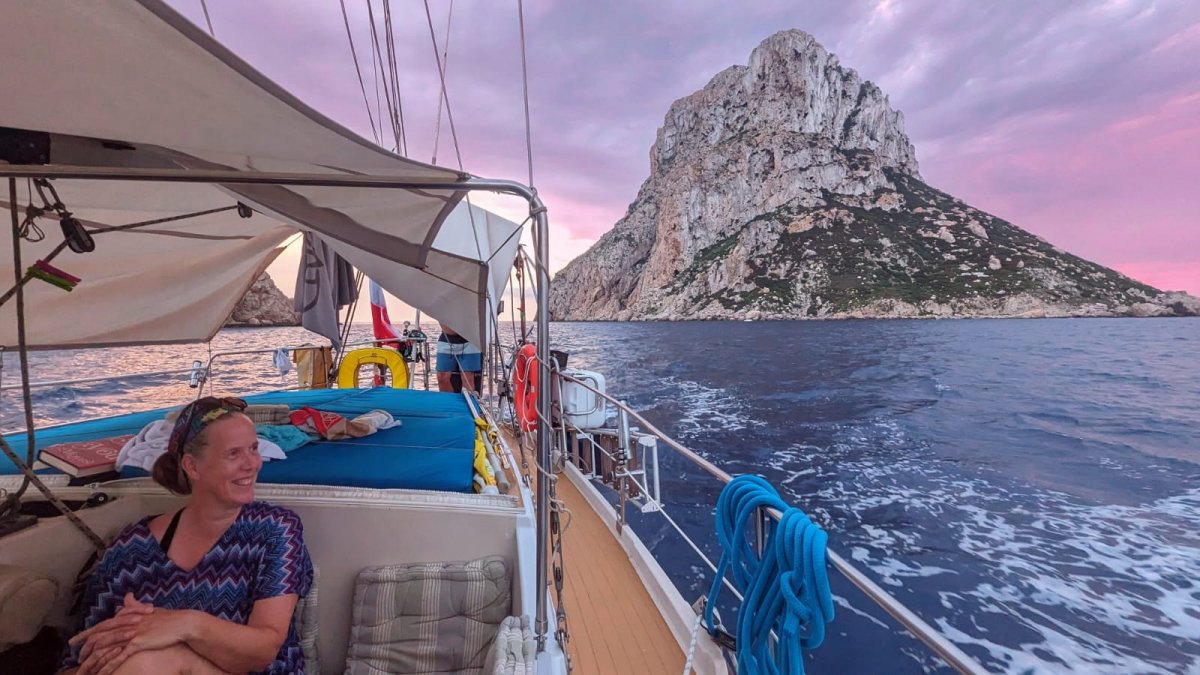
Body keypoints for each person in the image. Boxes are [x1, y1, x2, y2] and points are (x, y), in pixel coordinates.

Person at [59, 396, 313, 675]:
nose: (252, 464)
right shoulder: (131, 550)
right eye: (234, 453)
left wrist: (183, 625)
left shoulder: (275, 529)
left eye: (254, 449)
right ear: (192, 467)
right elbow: (80, 660)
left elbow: (263, 651)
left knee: (150, 661)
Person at [436, 322, 482, 393]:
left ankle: (467, 402)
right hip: (446, 338)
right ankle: (449, 402)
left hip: (470, 341)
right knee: (442, 376)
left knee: (468, 377)